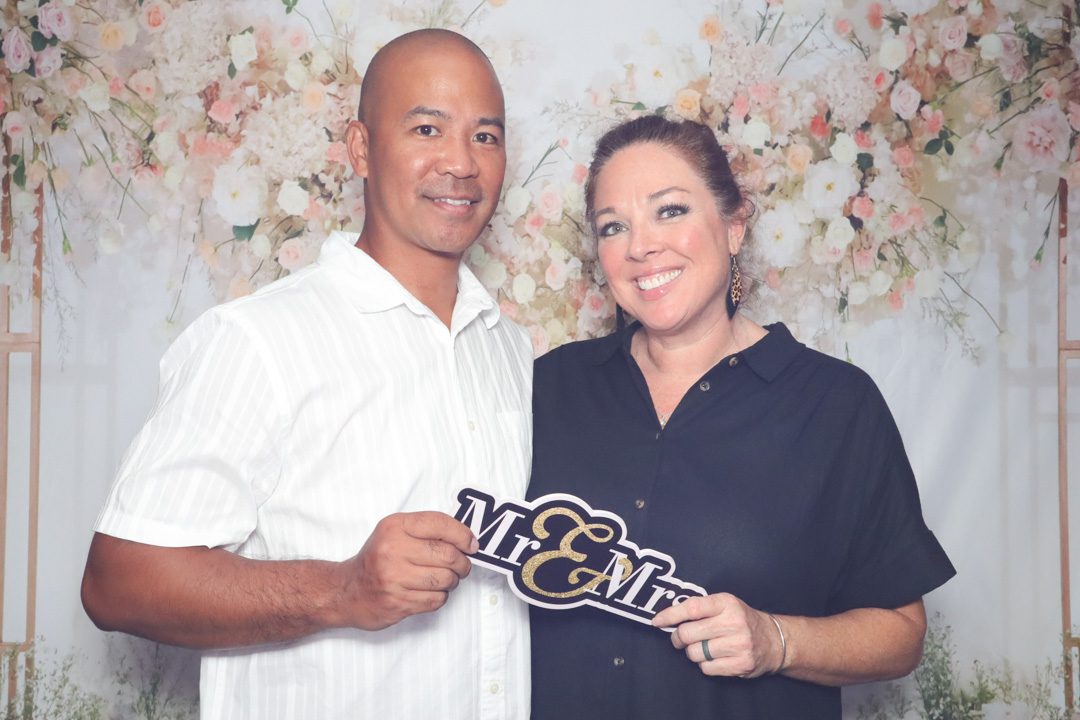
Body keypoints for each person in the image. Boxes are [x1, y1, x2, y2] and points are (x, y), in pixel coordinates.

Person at [81, 29, 532, 720]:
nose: (461, 162)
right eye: (426, 129)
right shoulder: (257, 341)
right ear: (361, 149)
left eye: (485, 136)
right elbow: (117, 583)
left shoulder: (507, 348)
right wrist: (342, 589)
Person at [527, 115, 955, 719]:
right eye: (613, 226)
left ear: (733, 226)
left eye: (670, 210)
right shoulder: (549, 387)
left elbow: (901, 634)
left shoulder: (835, 405)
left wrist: (776, 641)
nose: (640, 246)